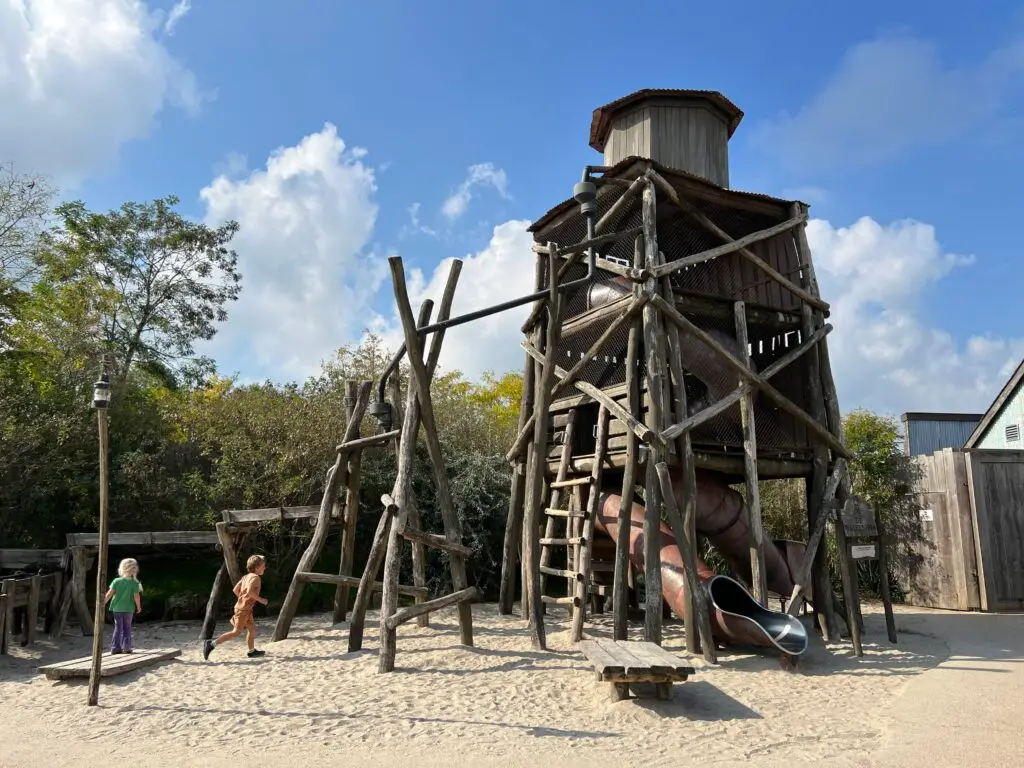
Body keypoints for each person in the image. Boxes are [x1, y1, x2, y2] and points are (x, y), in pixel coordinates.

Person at [204, 554, 268, 660]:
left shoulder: (245, 577)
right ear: (257, 568)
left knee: (252, 630)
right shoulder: (256, 578)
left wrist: (243, 600)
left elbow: (235, 590)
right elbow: (250, 592)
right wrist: (262, 600)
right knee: (236, 632)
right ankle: (211, 644)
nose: (265, 568)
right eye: (263, 566)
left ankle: (251, 651)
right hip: (243, 610)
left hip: (245, 609)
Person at [104, 558, 143, 655]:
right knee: (127, 627)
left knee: (118, 628)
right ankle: (127, 647)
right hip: (129, 609)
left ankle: (115, 648)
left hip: (117, 609)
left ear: (122, 569)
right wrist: (138, 606)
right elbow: (136, 596)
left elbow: (109, 594)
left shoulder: (116, 581)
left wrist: (102, 603)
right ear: (134, 570)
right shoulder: (135, 583)